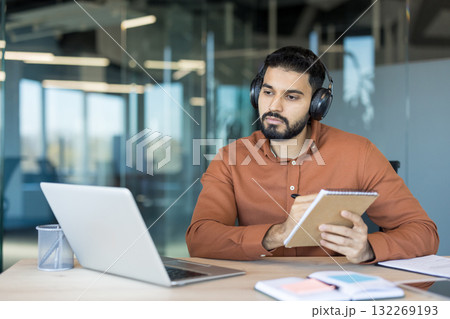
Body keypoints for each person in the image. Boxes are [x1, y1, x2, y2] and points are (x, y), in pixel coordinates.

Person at [185, 46, 439, 264]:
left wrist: (368, 248)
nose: (274, 106)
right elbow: (200, 239)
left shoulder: (359, 153)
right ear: (256, 94)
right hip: (256, 293)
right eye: (268, 92)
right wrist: (278, 233)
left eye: (292, 96)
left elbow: (424, 233)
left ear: (317, 105)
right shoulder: (230, 158)